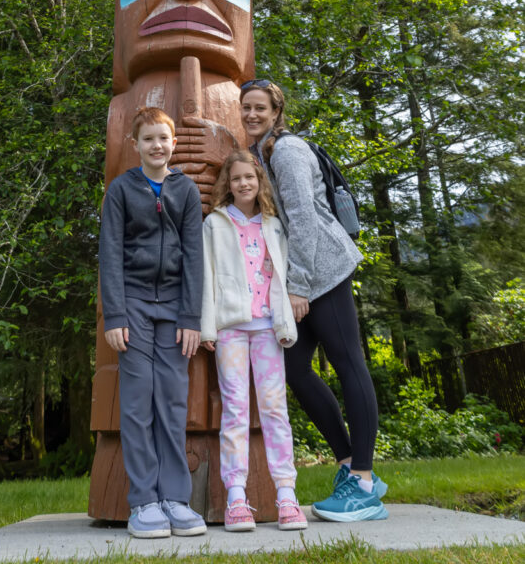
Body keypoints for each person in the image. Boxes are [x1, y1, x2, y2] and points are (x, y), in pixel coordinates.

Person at [239, 80, 389, 523]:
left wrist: (299, 285)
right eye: (245, 107)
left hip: (323, 270)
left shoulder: (286, 151)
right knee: (294, 368)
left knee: (348, 364)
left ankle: (362, 482)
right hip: (301, 275)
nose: (251, 114)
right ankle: (348, 463)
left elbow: (303, 220)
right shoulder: (263, 151)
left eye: (259, 108)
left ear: (276, 110)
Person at [99, 106, 207, 539]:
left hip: (176, 312)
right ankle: (144, 502)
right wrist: (116, 314)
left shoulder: (186, 191)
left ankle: (175, 499)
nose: (157, 146)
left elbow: (195, 256)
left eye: (164, 138)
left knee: (173, 401)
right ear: (135, 145)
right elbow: (109, 253)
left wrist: (192, 315)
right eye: (148, 139)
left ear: (174, 142)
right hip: (135, 308)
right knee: (137, 403)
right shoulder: (121, 190)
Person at [201, 150, 308, 532]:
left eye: (250, 177)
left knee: (275, 408)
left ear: (259, 181)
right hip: (231, 329)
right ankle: (236, 498)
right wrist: (207, 327)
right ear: (226, 186)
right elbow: (207, 277)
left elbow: (283, 276)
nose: (243, 183)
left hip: (267, 328)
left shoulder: (273, 226)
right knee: (235, 409)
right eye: (236, 179)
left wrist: (285, 319)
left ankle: (286, 496)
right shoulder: (214, 224)